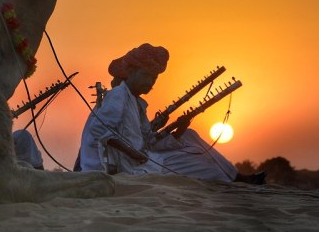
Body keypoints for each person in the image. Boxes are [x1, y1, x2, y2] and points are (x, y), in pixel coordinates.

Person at [77, 43, 264, 184]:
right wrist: (136, 155)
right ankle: (232, 181)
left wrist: (177, 133)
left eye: (155, 78)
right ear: (131, 71)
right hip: (131, 168)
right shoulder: (118, 95)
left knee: (190, 136)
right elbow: (98, 132)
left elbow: (148, 142)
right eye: (147, 75)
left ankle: (236, 176)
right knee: (200, 162)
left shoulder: (137, 103)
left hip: (144, 160)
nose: (151, 82)